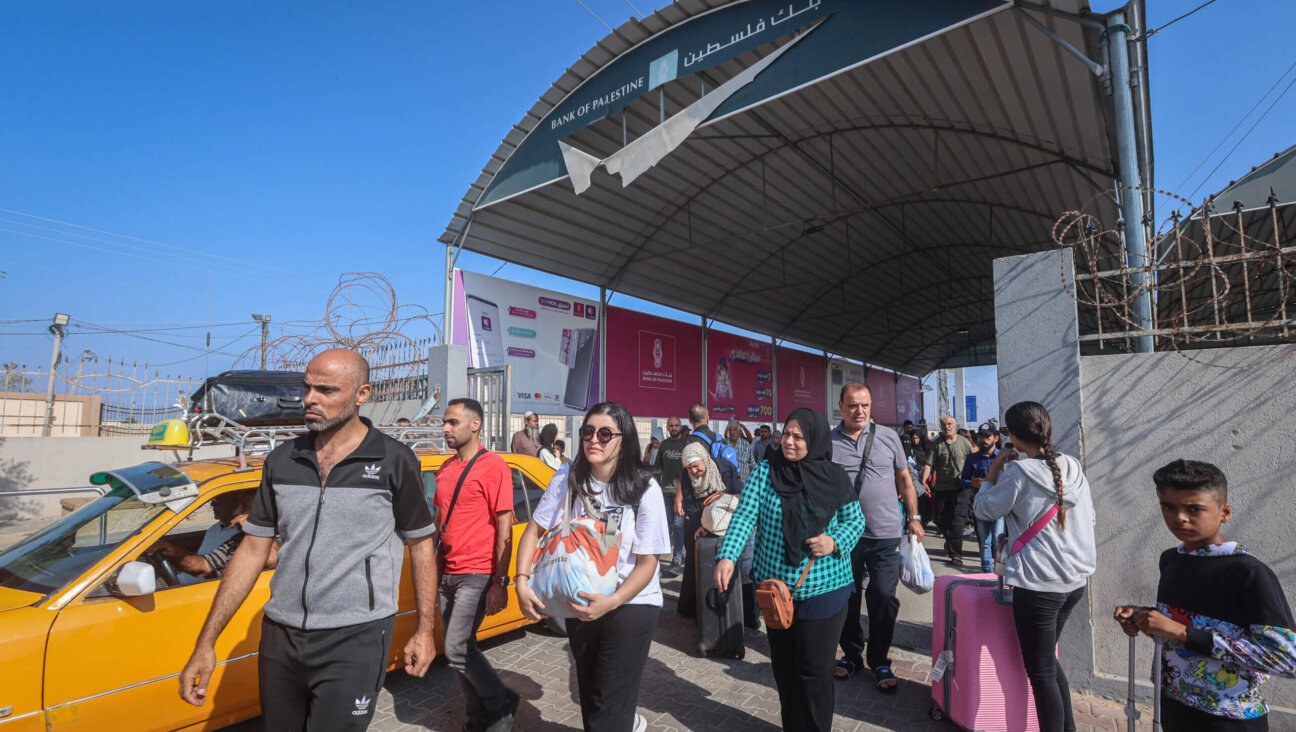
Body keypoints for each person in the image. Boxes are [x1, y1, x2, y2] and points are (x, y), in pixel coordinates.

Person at [178, 349, 440, 730]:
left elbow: (420, 545)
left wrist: (424, 630)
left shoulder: (394, 460)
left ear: (362, 394)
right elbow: (252, 550)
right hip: (281, 637)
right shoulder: (282, 461)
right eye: (307, 387)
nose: (309, 399)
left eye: (326, 390)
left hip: (356, 636)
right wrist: (206, 643)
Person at [515, 402, 671, 732]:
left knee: (608, 705)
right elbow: (534, 530)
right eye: (588, 432)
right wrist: (521, 581)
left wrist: (612, 601)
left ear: (624, 439)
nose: (593, 440)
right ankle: (627, 723)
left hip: (631, 602)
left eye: (604, 433)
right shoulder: (568, 478)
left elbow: (648, 563)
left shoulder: (645, 488)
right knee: (591, 696)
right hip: (580, 600)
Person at [1115, 460, 1296, 732]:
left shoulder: (1248, 572)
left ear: (1224, 512)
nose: (1179, 518)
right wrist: (1144, 618)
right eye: (1168, 507)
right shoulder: (1172, 560)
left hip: (1229, 720)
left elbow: (1286, 658)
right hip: (1173, 708)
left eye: (1194, 509)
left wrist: (1183, 632)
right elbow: (1179, 627)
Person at [715, 408, 866, 732]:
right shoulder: (766, 472)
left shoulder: (835, 476)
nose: (789, 441)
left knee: (813, 672)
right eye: (787, 434)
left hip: (825, 591)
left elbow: (856, 521)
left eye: (798, 436)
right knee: (784, 670)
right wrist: (727, 556)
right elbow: (744, 516)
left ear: (814, 439)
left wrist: (834, 541)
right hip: (776, 591)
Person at [973, 401, 1096, 732]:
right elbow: (1091, 519)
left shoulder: (1017, 473)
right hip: (1075, 582)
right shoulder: (1072, 465)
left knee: (1041, 672)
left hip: (1039, 586)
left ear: (1012, 436)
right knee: (1048, 665)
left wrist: (995, 468)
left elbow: (984, 509)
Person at [829, 384, 924, 693]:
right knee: (848, 597)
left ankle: (880, 658)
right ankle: (852, 654)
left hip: (885, 533)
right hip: (845, 534)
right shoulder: (829, 442)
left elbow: (904, 479)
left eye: (865, 405)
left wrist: (914, 518)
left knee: (883, 596)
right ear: (841, 406)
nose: (860, 411)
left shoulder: (888, 437)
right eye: (853, 405)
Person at [437, 398, 520, 731]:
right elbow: (439, 520)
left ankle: (501, 703)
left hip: (477, 573)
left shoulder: (493, 466)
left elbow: (505, 528)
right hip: (447, 573)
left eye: (452, 422)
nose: (445, 428)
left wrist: (500, 582)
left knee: (457, 649)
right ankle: (478, 715)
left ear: (475, 425)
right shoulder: (445, 469)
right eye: (445, 422)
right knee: (458, 651)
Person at [148, 488, 279, 582]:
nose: (237, 511)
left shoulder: (284, 534)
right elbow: (204, 566)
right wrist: (170, 550)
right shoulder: (238, 538)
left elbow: (273, 560)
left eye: (244, 506)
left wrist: (256, 529)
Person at [677, 440, 743, 620]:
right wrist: (703, 525)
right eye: (689, 468)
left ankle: (736, 612)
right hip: (698, 524)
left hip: (727, 524)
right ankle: (696, 610)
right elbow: (690, 503)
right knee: (696, 565)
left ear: (705, 459)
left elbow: (738, 492)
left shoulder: (725, 468)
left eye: (696, 467)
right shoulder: (686, 474)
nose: (693, 472)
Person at [920, 415, 975, 563]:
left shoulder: (964, 443)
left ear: (955, 425)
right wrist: (924, 480)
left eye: (950, 424)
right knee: (940, 519)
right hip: (942, 489)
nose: (947, 427)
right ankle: (950, 542)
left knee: (958, 522)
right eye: (944, 425)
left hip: (961, 489)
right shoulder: (937, 444)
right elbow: (929, 464)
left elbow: (972, 462)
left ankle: (956, 554)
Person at [961, 429, 1003, 573]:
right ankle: (987, 572)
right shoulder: (972, 458)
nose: (984, 439)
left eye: (987, 436)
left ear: (996, 438)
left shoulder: (1003, 457)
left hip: (1000, 504)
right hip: (981, 504)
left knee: (998, 539)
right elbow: (964, 480)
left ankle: (999, 572)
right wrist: (973, 482)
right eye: (981, 436)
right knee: (985, 541)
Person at [653, 416, 688, 576]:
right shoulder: (665, 445)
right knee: (672, 527)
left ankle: (676, 561)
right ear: (667, 427)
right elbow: (658, 467)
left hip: (681, 494)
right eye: (671, 426)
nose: (674, 428)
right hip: (665, 491)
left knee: (677, 526)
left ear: (680, 427)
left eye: (676, 425)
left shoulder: (686, 444)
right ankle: (683, 555)